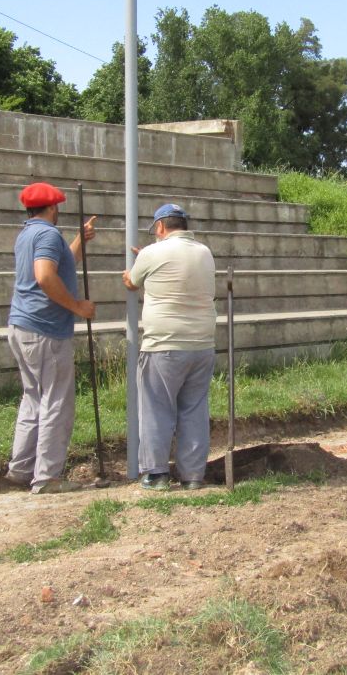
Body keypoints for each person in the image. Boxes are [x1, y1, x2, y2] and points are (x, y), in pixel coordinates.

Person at [6, 182, 97, 494]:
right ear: (53, 208)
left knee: (33, 399)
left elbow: (59, 266)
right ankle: (47, 477)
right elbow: (46, 276)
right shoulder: (47, 234)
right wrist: (77, 307)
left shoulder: (27, 235)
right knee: (56, 401)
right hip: (46, 330)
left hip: (22, 327)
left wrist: (79, 241)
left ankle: (21, 469)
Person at [122, 204, 217, 491]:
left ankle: (156, 473)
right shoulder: (204, 252)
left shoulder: (152, 253)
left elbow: (132, 281)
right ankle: (193, 477)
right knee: (194, 410)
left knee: (156, 409)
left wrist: (141, 265)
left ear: (160, 227)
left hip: (164, 344)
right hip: (202, 344)